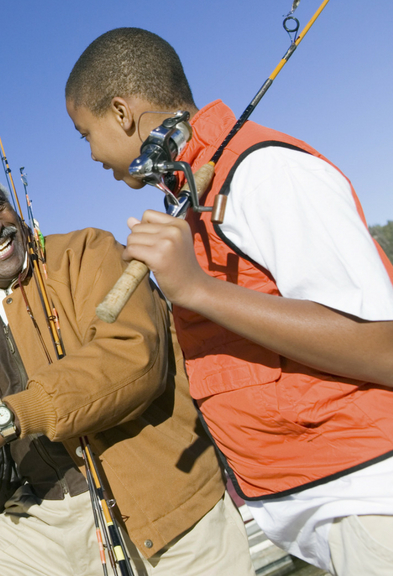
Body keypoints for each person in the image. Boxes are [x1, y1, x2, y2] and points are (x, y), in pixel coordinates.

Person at [65, 27, 393, 575]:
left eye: (85, 134)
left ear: (122, 112)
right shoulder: (192, 197)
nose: (92, 154)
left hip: (367, 501)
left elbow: (382, 344)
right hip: (321, 512)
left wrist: (196, 289)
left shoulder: (264, 170)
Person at [0, 169, 254, 576]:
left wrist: (6, 417)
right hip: (43, 521)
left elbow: (133, 356)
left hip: (165, 504)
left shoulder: (88, 251)